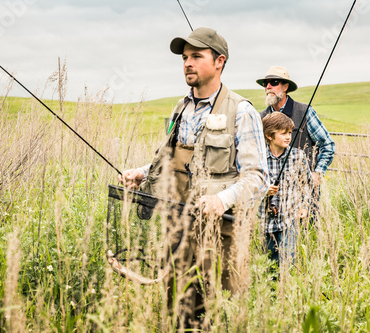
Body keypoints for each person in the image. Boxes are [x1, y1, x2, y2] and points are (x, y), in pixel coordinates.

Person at [119, 27, 268, 328]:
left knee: (219, 313)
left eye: (196, 56)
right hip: (178, 231)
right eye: (185, 57)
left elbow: (258, 178)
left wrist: (221, 201)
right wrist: (142, 173)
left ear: (219, 62)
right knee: (178, 310)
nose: (187, 63)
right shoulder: (181, 108)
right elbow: (170, 159)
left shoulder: (241, 111)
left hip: (221, 237)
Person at [257, 66, 335, 222]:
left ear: (286, 87)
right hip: (273, 194)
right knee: (273, 240)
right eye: (266, 83)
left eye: (274, 82)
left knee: (307, 234)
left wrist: (317, 173)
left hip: (304, 188)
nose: (268, 87)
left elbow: (327, 145)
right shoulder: (261, 118)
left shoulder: (304, 111)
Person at [258, 112, 311, 269]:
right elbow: (248, 185)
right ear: (269, 136)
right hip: (265, 221)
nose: (288, 137)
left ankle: (285, 289)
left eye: (289, 133)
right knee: (269, 263)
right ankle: (272, 292)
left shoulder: (298, 156)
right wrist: (263, 190)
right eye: (283, 133)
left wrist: (304, 205)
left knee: (287, 261)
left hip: (290, 219)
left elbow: (306, 184)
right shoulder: (259, 158)